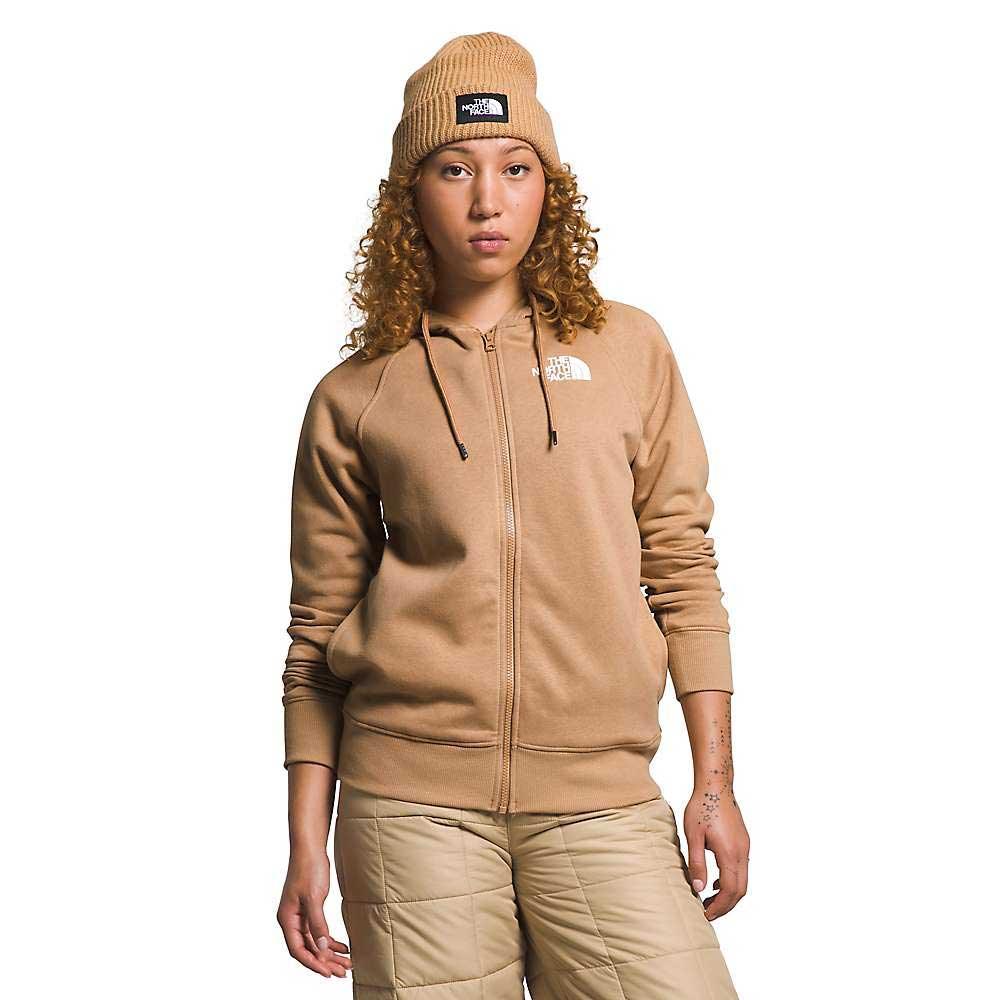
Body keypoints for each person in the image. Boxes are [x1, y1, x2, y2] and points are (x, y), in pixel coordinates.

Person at [276, 31, 749, 998]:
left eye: (515, 168)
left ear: (549, 187)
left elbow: (682, 568)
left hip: (600, 797)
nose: (487, 200)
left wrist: (714, 786)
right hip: (408, 809)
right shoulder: (356, 392)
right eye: (455, 168)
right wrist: (304, 843)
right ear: (411, 195)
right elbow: (316, 635)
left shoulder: (628, 350)